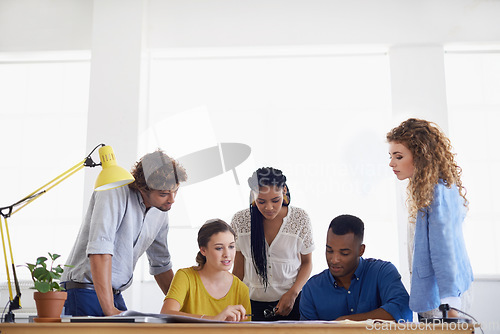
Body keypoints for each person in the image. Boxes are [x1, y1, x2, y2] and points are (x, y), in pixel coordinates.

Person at [61, 149, 187, 316]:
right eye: (163, 194)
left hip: (114, 293)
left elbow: (161, 265)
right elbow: (100, 252)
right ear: (143, 188)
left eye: (175, 191)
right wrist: (109, 311)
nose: (172, 200)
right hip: (83, 291)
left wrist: (187, 311)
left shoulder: (160, 211)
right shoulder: (113, 191)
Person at [387, 118, 473, 319]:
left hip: (442, 300)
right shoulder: (425, 190)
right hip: (437, 296)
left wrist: (450, 303)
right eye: (391, 156)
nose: (391, 163)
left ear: (420, 156)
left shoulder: (437, 193)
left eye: (398, 157)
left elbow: (445, 248)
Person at [231, 167, 314, 321]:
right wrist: (231, 300)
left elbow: (307, 263)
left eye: (275, 200)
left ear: (284, 191)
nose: (269, 207)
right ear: (253, 195)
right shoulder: (240, 220)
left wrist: (293, 293)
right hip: (249, 304)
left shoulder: (300, 218)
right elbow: (238, 267)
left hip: (291, 302)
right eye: (261, 201)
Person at [300, 214, 412, 322]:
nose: (334, 260)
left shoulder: (382, 272)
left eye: (344, 253)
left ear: (361, 250)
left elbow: (403, 309)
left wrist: (346, 322)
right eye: (329, 251)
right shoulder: (312, 289)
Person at [161, 219, 251, 321]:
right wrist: (213, 319)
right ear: (203, 250)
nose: (227, 254)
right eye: (219, 248)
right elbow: (166, 313)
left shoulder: (241, 289)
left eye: (231, 246)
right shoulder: (185, 277)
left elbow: (245, 330)